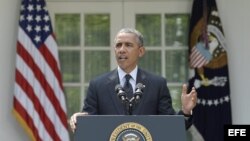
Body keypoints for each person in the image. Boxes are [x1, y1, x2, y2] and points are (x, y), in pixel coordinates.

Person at [69, 27, 197, 132]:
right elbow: (88, 122)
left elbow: (171, 126)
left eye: (128, 45)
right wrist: (78, 120)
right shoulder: (97, 85)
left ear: (140, 51)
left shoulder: (157, 84)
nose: (122, 50)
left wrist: (186, 111)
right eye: (118, 45)